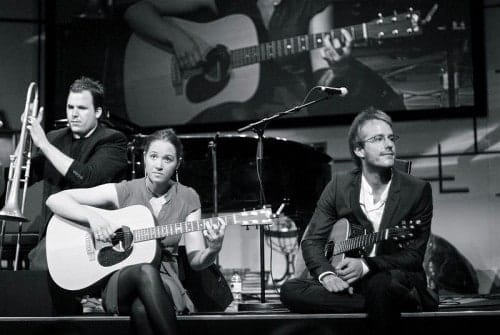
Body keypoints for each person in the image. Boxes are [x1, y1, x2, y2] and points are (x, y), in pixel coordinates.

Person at [45, 128, 226, 335]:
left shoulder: (187, 197)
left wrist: (213, 249)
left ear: (178, 163)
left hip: (166, 278)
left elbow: (196, 260)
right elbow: (55, 200)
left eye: (167, 159)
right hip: (121, 279)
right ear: (144, 158)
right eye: (154, 156)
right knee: (144, 271)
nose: (159, 165)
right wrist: (93, 218)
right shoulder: (126, 190)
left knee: (141, 309)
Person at [280, 108, 438, 335]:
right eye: (378, 139)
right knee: (290, 289)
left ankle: (389, 301)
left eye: (391, 138)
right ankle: (399, 304)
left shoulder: (417, 189)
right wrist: (328, 275)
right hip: (350, 282)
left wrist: (365, 266)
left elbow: (413, 256)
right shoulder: (339, 186)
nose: (389, 144)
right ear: (359, 149)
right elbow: (312, 241)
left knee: (380, 285)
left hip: (393, 276)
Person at [121, 0, 405, 124]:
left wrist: (339, 66)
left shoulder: (313, 3)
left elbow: (322, 78)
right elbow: (136, 10)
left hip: (285, 113)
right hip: (224, 119)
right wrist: (177, 39)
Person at [22, 76, 129, 314]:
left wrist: (44, 145)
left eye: (82, 108)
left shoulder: (113, 141)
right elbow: (25, 176)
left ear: (98, 111)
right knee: (38, 273)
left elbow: (88, 177)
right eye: (70, 107)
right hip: (54, 232)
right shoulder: (54, 138)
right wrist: (26, 140)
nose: (74, 114)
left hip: (92, 233)